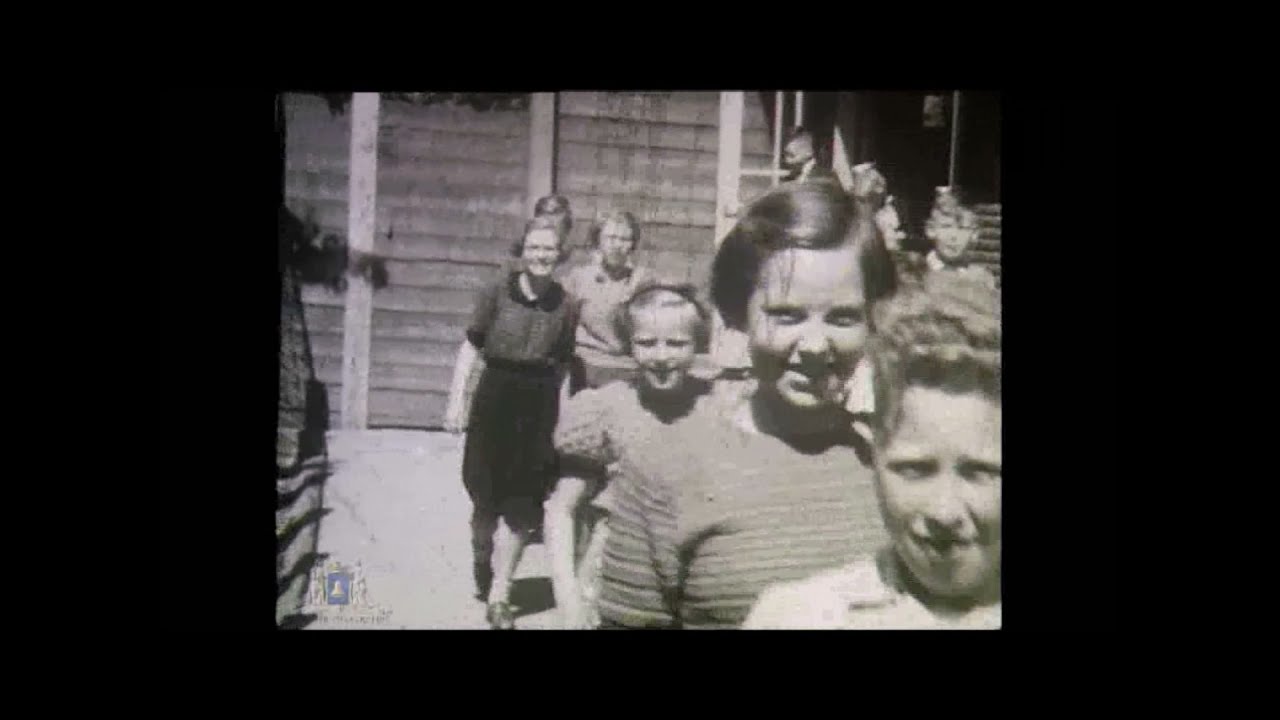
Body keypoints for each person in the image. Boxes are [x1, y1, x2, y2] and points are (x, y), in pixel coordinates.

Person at [595, 180, 896, 629]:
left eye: (843, 317)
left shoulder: (905, 467)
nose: (814, 345)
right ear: (740, 313)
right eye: (786, 314)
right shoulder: (665, 467)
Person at [744, 272, 1001, 629]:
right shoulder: (797, 617)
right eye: (915, 469)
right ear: (871, 454)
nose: (945, 511)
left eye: (980, 472)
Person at [545, 281, 714, 629]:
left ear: (698, 344)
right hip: (617, 577)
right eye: (647, 343)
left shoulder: (718, 406)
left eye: (677, 343)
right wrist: (568, 598)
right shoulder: (608, 408)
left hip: (701, 578)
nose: (662, 356)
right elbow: (561, 509)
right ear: (629, 344)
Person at [443, 215, 578, 630]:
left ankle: (502, 593)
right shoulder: (495, 293)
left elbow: (564, 367)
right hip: (495, 395)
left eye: (549, 249)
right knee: (484, 496)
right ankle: (482, 555)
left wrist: (564, 419)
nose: (541, 256)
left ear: (560, 255)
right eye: (534, 248)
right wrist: (455, 403)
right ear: (521, 252)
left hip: (538, 402)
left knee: (524, 502)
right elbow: (471, 350)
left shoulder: (566, 304)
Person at [559, 210, 651, 393]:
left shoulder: (643, 281)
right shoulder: (579, 277)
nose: (617, 245)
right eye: (610, 237)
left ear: (633, 244)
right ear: (598, 240)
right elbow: (562, 327)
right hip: (584, 367)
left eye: (625, 239)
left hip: (627, 370)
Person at [923, 187, 997, 288]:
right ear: (930, 230)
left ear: (974, 233)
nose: (954, 236)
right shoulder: (915, 272)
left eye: (963, 228)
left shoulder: (981, 279)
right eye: (946, 226)